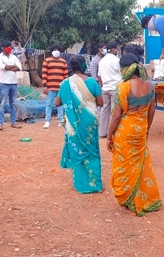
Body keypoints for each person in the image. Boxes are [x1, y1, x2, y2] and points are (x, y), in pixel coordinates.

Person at [107, 54, 161, 216]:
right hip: (141, 129)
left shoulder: (122, 87)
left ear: (125, 70)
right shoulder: (150, 86)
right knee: (140, 165)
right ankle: (143, 198)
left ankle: (128, 198)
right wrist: (146, 129)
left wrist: (109, 136)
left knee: (125, 165)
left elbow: (116, 115)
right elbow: (152, 111)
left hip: (125, 131)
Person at [54, 55, 103, 194]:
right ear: (84, 66)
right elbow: (100, 103)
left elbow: (57, 103)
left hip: (73, 124)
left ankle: (81, 185)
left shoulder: (65, 84)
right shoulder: (92, 82)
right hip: (89, 122)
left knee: (78, 150)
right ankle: (96, 185)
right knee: (92, 150)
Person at [0, 40, 23, 130]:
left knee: (13, 104)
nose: (9, 48)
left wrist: (7, 67)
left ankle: (13, 122)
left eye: (10, 47)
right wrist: (11, 67)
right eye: (7, 47)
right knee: (2, 104)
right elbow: (3, 67)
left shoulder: (14, 57)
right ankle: (0, 123)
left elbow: (19, 68)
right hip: (4, 83)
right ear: (3, 48)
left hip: (13, 83)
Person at [97, 41, 122, 138]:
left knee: (104, 110)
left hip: (105, 88)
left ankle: (102, 132)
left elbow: (99, 76)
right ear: (113, 49)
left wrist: (103, 84)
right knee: (114, 111)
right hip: (115, 87)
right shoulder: (116, 60)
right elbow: (122, 74)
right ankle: (112, 132)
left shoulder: (102, 61)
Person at [42, 47, 68, 128]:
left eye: (58, 50)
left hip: (60, 88)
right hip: (50, 87)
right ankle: (47, 121)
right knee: (49, 104)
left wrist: (65, 86)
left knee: (60, 104)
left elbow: (65, 76)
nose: (56, 51)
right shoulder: (47, 61)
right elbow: (44, 74)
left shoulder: (63, 62)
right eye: (54, 50)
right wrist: (45, 86)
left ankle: (60, 121)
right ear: (51, 51)